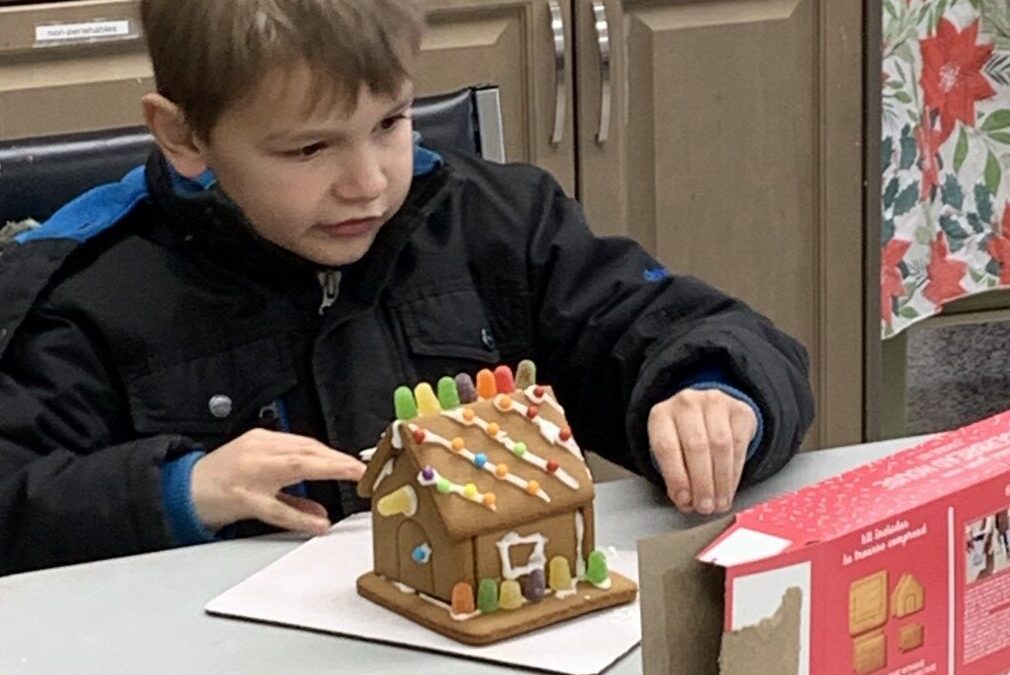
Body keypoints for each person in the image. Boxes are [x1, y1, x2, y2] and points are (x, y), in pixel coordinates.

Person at [0, 0, 813, 575]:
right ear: (184, 136)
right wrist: (178, 491)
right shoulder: (87, 286)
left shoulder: (497, 224)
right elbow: (14, 502)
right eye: (309, 149)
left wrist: (716, 393)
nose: (367, 183)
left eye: (390, 122)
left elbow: (687, 330)